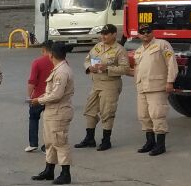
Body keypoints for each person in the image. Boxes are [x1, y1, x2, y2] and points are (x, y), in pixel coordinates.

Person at [73, 24, 130, 151]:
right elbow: (87, 59)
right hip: (96, 83)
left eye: (106, 34)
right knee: (90, 110)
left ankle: (106, 140)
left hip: (110, 84)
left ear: (114, 34)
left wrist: (107, 68)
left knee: (107, 112)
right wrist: (89, 67)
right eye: (102, 34)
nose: (103, 37)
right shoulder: (98, 46)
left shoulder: (119, 50)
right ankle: (89, 138)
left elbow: (125, 69)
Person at [32, 41, 75, 185]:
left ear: (51, 55)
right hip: (52, 111)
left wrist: (39, 100)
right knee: (49, 142)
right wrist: (43, 98)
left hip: (59, 111)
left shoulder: (62, 71)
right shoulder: (58, 68)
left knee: (60, 142)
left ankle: (65, 173)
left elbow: (57, 95)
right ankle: (49, 169)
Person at [132, 24, 178, 156]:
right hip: (142, 87)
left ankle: (160, 145)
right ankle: (150, 142)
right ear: (138, 35)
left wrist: (170, 81)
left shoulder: (162, 44)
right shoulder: (139, 50)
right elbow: (137, 68)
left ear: (152, 32)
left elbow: (171, 63)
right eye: (142, 32)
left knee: (157, 115)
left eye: (148, 31)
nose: (145, 34)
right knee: (143, 116)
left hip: (157, 86)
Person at [25, 39, 53, 152]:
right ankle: (48, 145)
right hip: (52, 97)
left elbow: (32, 81)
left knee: (33, 118)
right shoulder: (61, 62)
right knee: (50, 122)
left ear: (44, 50)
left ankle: (33, 143)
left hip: (37, 97)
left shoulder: (37, 62)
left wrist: (29, 97)